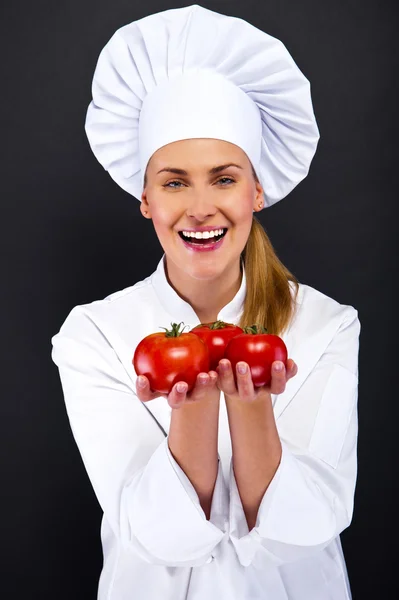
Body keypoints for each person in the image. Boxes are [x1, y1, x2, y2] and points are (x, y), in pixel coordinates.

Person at [51, 4, 361, 599]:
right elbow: (159, 538)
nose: (200, 207)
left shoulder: (325, 325)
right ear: (144, 197)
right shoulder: (93, 335)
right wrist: (191, 408)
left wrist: (249, 408)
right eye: (174, 182)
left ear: (257, 191)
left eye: (224, 179)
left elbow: (307, 527)